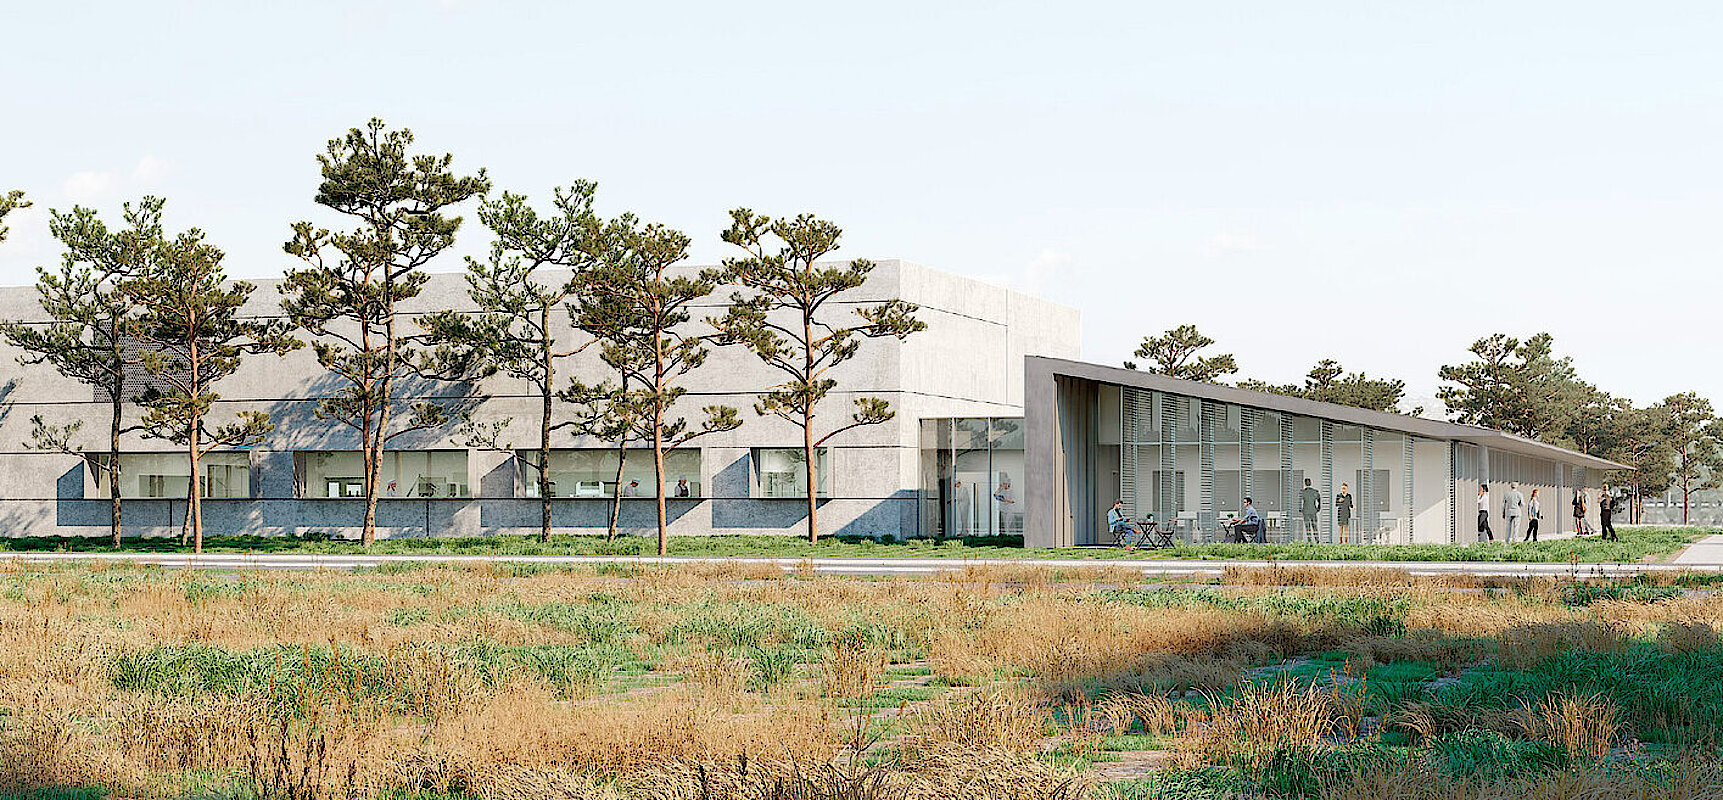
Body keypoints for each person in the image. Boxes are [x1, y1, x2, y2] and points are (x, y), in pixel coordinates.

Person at [1299, 478, 1322, 542]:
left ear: (1305, 483)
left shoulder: (1303, 492)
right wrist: (1318, 508)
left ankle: (1310, 541)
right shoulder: (1315, 492)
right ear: (1310, 483)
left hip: (1306, 511)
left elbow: (1299, 501)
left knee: (1308, 527)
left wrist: (1300, 509)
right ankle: (1317, 540)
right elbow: (1319, 500)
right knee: (1314, 526)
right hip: (1313, 511)